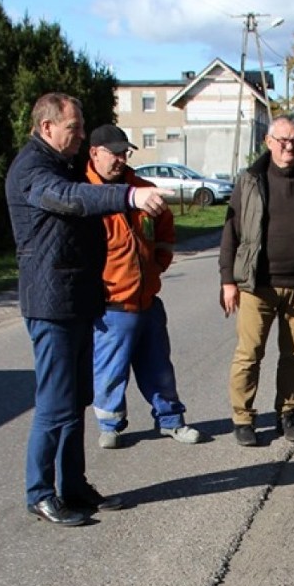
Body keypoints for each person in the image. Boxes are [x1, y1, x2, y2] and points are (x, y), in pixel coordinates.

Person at [6, 93, 167, 526]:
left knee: (77, 399)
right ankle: (40, 493)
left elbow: (84, 189)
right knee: (56, 404)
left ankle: (73, 487)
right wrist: (129, 198)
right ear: (46, 128)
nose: (81, 135)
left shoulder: (62, 163)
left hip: (78, 301)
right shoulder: (34, 170)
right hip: (52, 304)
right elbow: (70, 198)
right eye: (74, 128)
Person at [219, 113, 294, 446]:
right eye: (284, 140)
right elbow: (231, 232)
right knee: (249, 353)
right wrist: (227, 280)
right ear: (269, 142)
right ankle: (243, 418)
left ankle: (287, 414)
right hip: (256, 285)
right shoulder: (249, 179)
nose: (290, 147)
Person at [86, 124, 203, 450]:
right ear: (95, 152)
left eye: (125, 152)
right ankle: (110, 425)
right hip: (111, 304)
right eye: (114, 153)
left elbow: (165, 227)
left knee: (159, 367)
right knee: (110, 372)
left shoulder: (143, 189)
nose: (121, 159)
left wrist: (160, 262)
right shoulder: (85, 195)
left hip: (148, 299)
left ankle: (171, 421)